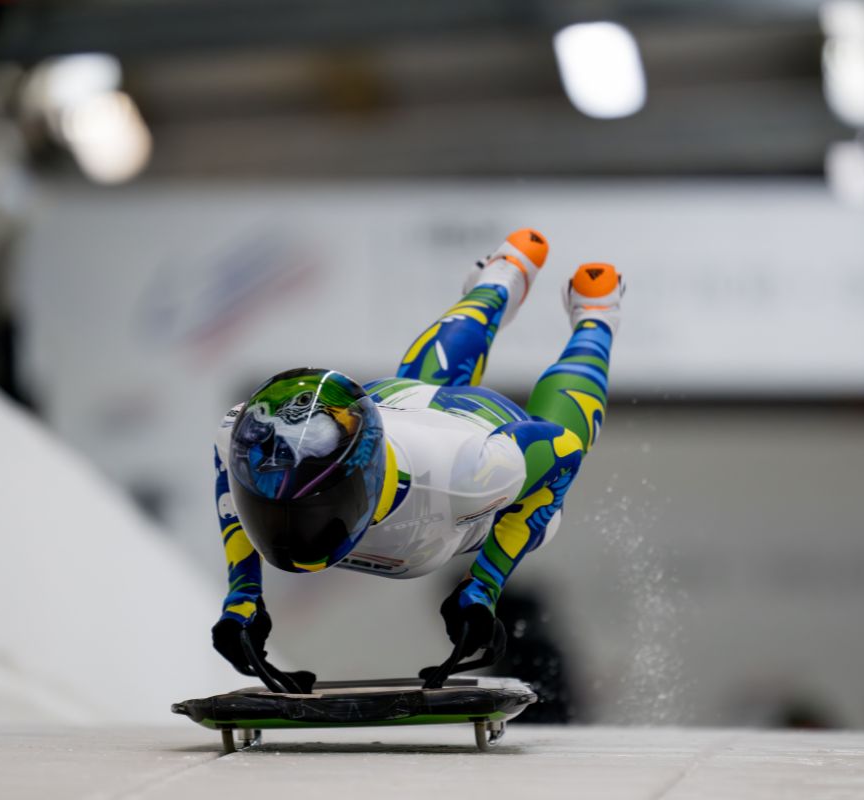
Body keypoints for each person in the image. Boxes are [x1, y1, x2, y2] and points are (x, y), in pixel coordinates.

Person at [210, 229, 622, 691]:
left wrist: (484, 586)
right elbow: (231, 459)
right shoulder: (239, 433)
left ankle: (595, 315)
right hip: (401, 407)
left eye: (309, 513)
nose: (287, 535)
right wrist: (243, 597)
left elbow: (561, 452)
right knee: (421, 384)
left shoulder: (473, 474)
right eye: (268, 510)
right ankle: (501, 280)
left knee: (566, 446)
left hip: (479, 441)